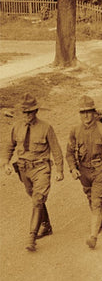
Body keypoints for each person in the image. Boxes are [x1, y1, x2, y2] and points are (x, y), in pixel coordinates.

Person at [1, 93, 64, 252]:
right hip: (24, 169)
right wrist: (5, 162)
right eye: (24, 112)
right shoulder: (16, 127)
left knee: (37, 199)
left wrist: (59, 169)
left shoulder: (46, 128)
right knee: (36, 198)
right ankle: (46, 225)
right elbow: (9, 146)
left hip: (41, 168)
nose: (27, 115)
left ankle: (31, 237)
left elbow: (56, 149)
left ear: (36, 111)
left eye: (30, 112)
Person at [66, 95, 102, 249]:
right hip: (83, 171)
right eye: (82, 112)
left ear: (94, 112)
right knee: (90, 197)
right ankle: (99, 221)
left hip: (100, 170)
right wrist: (73, 168)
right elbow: (69, 153)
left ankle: (93, 236)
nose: (86, 115)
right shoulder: (75, 131)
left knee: (97, 202)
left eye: (88, 111)